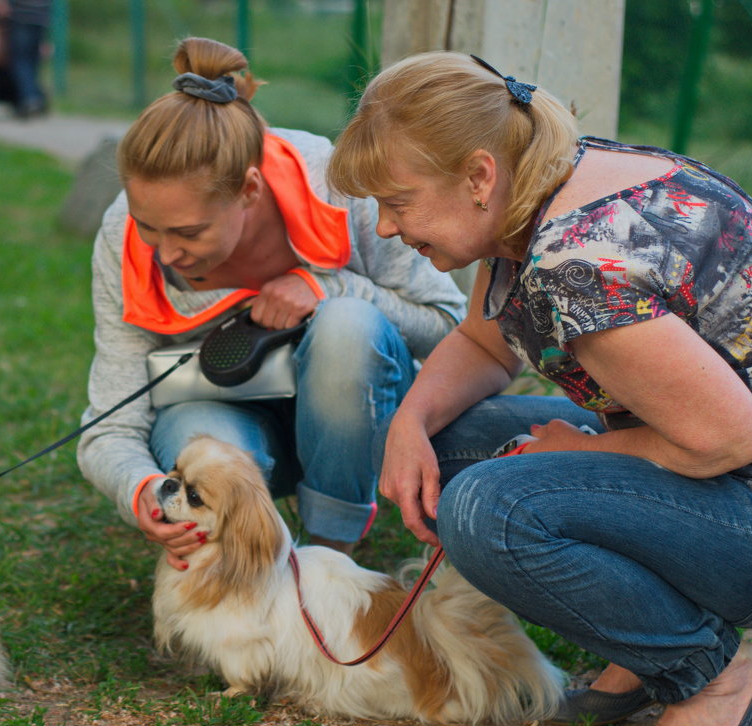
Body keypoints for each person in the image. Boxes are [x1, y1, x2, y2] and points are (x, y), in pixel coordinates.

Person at [327, 50, 752, 726]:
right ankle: (644, 638)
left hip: (751, 504)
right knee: (448, 445)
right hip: (713, 465)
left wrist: (574, 447)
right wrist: (407, 422)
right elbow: (481, 342)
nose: (386, 226)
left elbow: (728, 437)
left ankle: (710, 672)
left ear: (476, 176)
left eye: (398, 201)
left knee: (487, 508)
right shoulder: (538, 186)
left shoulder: (579, 262)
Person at [76, 38, 466, 569]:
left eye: (189, 232)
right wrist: (140, 488)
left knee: (346, 324)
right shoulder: (122, 235)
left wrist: (328, 288)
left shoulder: (335, 187)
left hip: (362, 425)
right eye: (149, 227)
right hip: (223, 422)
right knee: (193, 438)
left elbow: (451, 328)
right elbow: (110, 425)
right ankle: (248, 570)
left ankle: (331, 558)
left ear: (250, 190)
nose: (166, 252)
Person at [0, 0, 49, 118]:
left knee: (20, 60)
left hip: (21, 15)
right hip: (41, 15)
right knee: (32, 60)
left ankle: (29, 98)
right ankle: (36, 96)